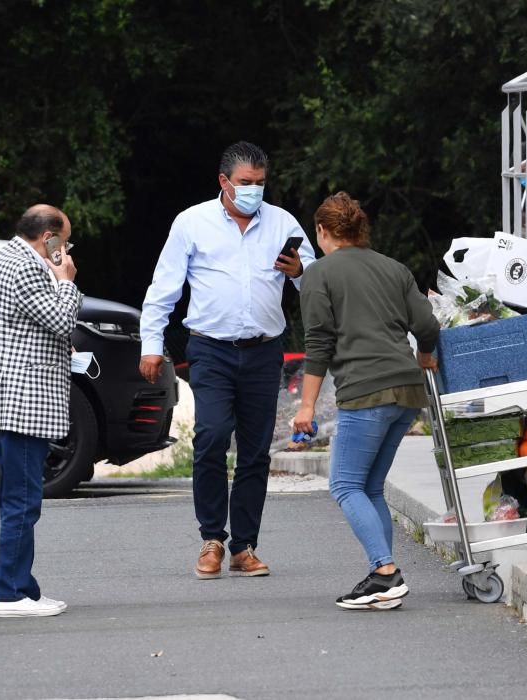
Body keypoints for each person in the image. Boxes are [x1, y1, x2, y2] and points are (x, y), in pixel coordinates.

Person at [139, 141, 315, 579]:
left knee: (255, 452)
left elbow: (317, 287)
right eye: (244, 183)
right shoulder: (192, 222)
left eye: (259, 183)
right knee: (213, 436)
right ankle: (212, 538)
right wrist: (151, 345)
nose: (253, 190)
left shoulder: (282, 223)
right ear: (224, 182)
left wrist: (299, 273)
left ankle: (244, 546)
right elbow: (164, 288)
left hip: (264, 349)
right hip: (211, 348)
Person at [293, 192, 439, 611]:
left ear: (322, 231)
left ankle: (386, 571)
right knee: (370, 486)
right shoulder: (393, 268)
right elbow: (427, 321)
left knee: (343, 484)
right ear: (360, 230)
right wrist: (425, 352)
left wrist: (306, 407)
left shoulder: (319, 274)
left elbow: (318, 343)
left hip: (365, 389)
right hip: (409, 390)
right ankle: (382, 579)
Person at [0, 204, 81, 618]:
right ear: (48, 237)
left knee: (17, 496)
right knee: (23, 499)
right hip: (21, 400)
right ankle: (9, 594)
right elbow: (62, 321)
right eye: (63, 241)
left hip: (5, 396)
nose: (65, 250)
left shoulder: (5, 256)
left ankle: (24, 587)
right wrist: (66, 281)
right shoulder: (28, 267)